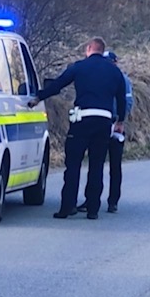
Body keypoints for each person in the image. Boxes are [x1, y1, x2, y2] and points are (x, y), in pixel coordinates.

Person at [28, 37, 128, 220]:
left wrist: (38, 98)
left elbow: (58, 85)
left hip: (82, 120)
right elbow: (121, 99)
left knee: (73, 165)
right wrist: (120, 121)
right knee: (96, 166)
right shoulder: (115, 73)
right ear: (102, 50)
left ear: (89, 49)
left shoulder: (79, 67)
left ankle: (67, 207)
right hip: (104, 121)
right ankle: (93, 210)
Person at [104, 49, 135, 213]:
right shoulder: (99, 78)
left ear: (115, 62)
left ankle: (113, 201)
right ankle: (91, 199)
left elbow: (128, 101)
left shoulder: (123, 80)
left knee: (115, 166)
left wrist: (120, 120)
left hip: (116, 125)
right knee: (96, 164)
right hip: (101, 124)